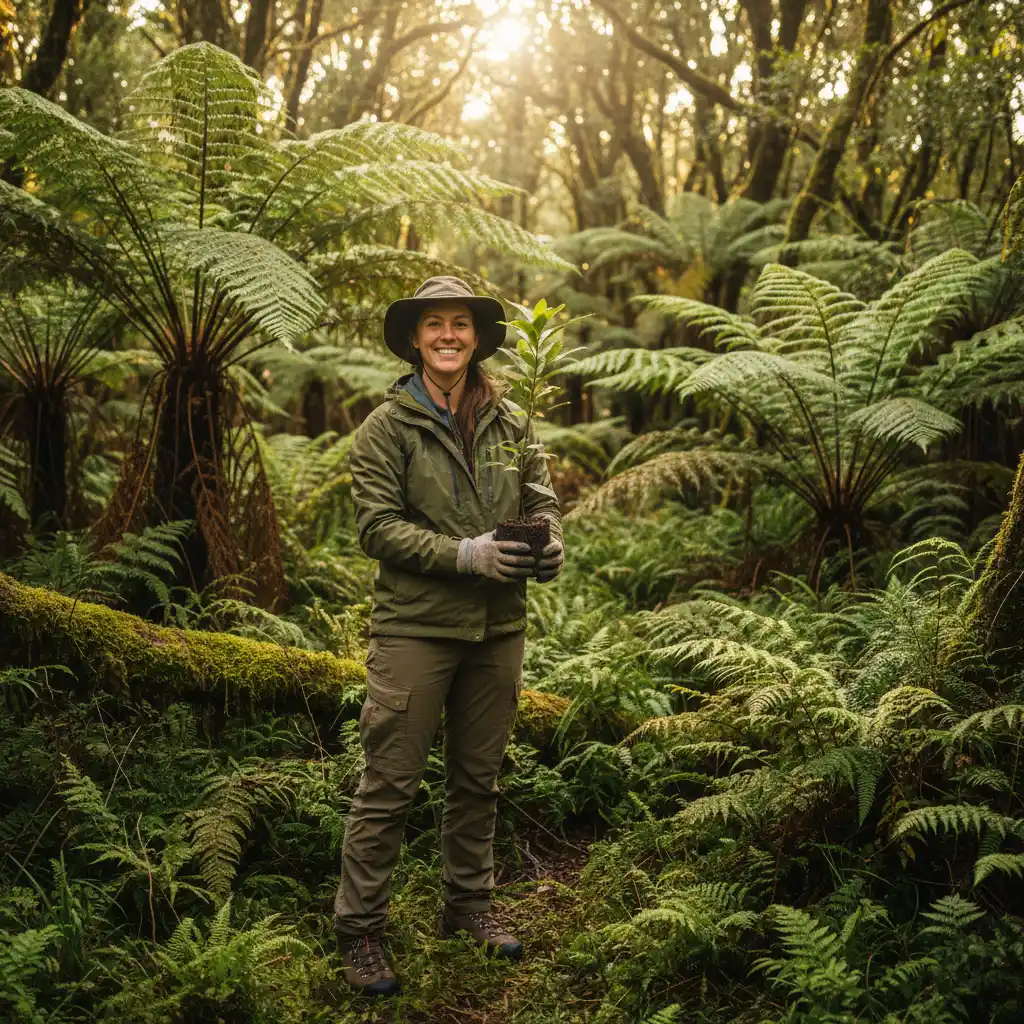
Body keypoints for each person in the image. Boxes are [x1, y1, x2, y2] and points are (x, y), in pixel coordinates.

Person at [334, 276, 564, 996]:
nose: (447, 336)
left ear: (477, 337)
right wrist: (465, 553)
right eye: (434, 324)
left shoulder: (511, 421)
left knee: (478, 779)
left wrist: (550, 541)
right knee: (390, 784)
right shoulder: (386, 428)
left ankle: (468, 907)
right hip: (415, 629)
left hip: (499, 629)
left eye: (459, 324)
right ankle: (361, 930)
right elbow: (376, 528)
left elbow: (542, 500)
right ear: (413, 338)